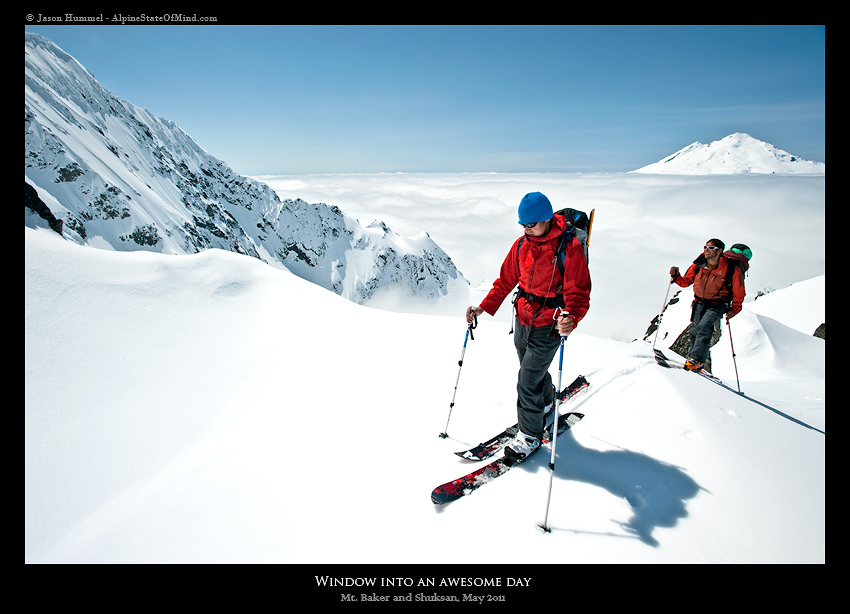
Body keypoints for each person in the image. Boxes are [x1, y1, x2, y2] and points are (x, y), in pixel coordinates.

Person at [466, 192, 591, 460]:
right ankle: (546, 401)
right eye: (523, 225)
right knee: (530, 370)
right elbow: (505, 281)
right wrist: (483, 307)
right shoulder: (521, 245)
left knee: (527, 381)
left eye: (531, 224)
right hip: (522, 319)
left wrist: (572, 318)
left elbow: (578, 291)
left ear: (546, 219)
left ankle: (530, 435)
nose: (526, 229)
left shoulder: (569, 248)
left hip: (549, 324)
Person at [669, 238, 746, 371]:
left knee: (704, 327)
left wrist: (735, 308)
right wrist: (676, 277)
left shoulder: (732, 269)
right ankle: (694, 360)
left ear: (720, 251)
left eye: (710, 248)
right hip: (699, 302)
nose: (706, 250)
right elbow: (686, 281)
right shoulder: (699, 264)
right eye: (705, 247)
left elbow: (739, 291)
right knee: (695, 330)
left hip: (718, 304)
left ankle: (696, 360)